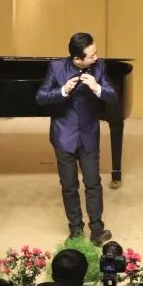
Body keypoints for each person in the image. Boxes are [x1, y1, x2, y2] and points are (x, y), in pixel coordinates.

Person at [35, 32, 117, 244]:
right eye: (91, 55)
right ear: (77, 59)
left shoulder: (100, 67)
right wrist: (63, 91)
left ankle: (97, 229)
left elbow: (112, 95)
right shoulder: (56, 68)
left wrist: (96, 87)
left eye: (96, 52)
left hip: (88, 135)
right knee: (69, 186)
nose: (96, 57)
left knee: (93, 183)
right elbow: (41, 97)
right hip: (64, 136)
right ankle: (75, 229)